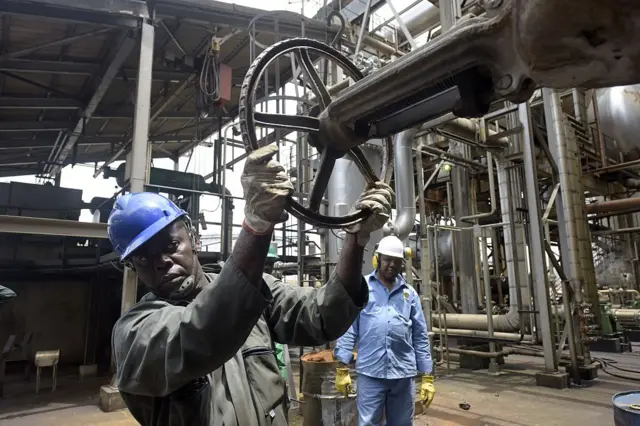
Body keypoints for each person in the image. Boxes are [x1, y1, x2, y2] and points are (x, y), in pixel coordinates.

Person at [108, 144, 394, 426]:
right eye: (144, 258)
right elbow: (204, 331)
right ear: (133, 267)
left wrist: (356, 240)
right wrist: (256, 225)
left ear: (194, 238)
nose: (161, 262)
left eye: (171, 245)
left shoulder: (258, 290)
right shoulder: (135, 332)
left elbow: (324, 315)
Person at [334, 235, 435, 426]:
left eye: (396, 261)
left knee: (402, 423)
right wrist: (342, 366)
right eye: (387, 260)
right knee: (368, 422)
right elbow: (349, 328)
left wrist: (427, 375)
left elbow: (420, 336)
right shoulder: (362, 288)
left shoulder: (409, 294)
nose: (391, 265)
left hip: (403, 374)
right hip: (371, 372)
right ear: (377, 259)